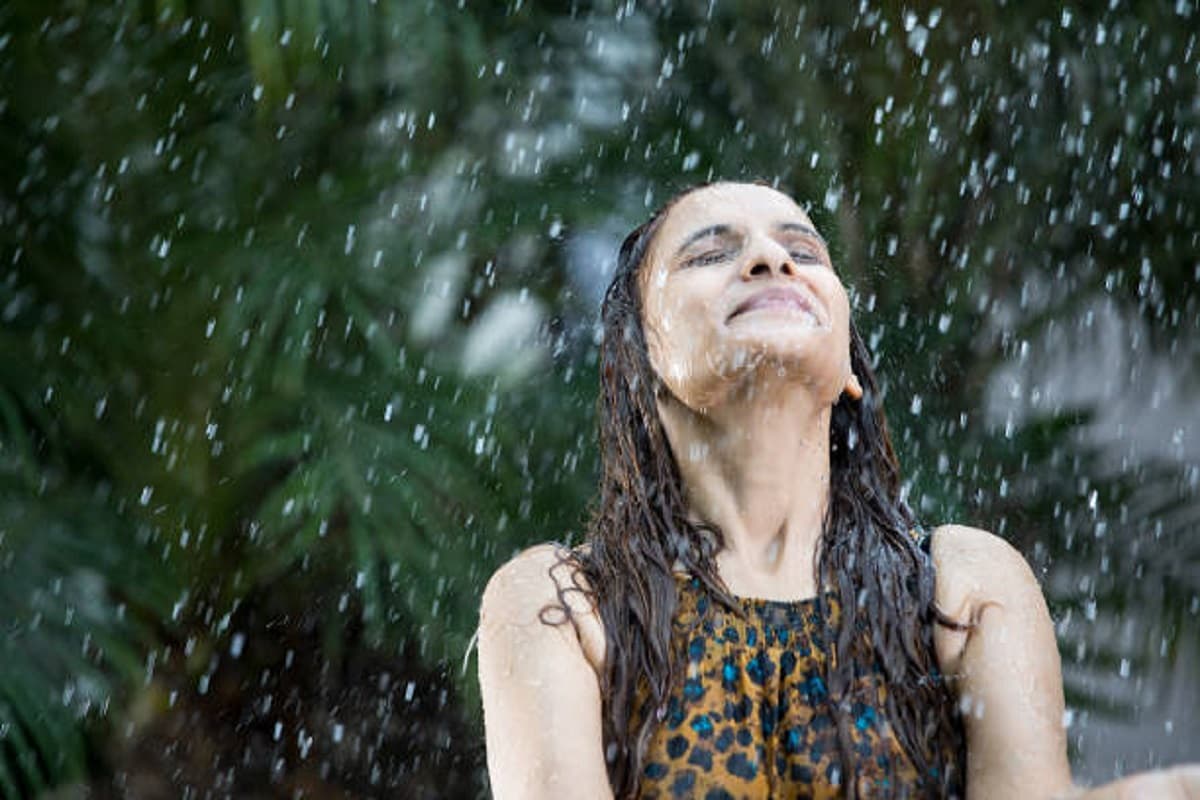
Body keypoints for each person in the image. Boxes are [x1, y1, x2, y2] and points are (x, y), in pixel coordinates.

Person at [476, 182, 1199, 799]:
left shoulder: (961, 589)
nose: (771, 258)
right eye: (708, 253)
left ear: (849, 368)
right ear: (641, 364)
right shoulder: (562, 605)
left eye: (805, 251)